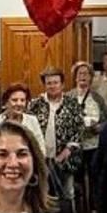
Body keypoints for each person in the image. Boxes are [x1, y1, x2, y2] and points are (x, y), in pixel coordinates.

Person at [27, 67, 85, 202]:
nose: (52, 86)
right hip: (39, 159)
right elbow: (27, 128)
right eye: (49, 83)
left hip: (65, 159)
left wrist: (68, 150)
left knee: (67, 194)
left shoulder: (72, 104)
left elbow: (79, 130)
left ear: (62, 84)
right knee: (41, 195)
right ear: (44, 85)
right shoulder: (35, 104)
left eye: (55, 82)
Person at [68, 61, 107, 213]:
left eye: (86, 74)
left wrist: (99, 127)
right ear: (75, 77)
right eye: (80, 74)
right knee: (76, 181)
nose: (83, 77)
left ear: (91, 77)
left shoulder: (97, 97)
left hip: (94, 145)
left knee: (95, 179)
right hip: (75, 147)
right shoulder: (68, 97)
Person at [0, 83, 46, 170]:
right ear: (6, 102)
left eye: (22, 100)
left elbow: (41, 151)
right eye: (14, 100)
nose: (19, 103)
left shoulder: (32, 121)